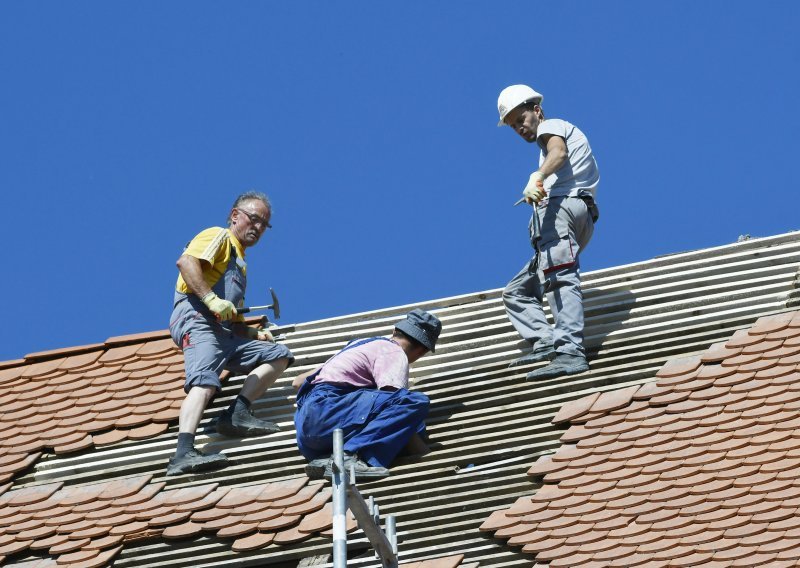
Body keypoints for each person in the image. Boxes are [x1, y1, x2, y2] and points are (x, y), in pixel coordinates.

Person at [166, 191, 294, 476]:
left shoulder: (240, 262)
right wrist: (211, 299)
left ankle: (237, 413)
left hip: (223, 331)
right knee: (204, 381)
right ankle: (182, 453)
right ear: (235, 215)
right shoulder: (218, 237)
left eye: (264, 224)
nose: (258, 228)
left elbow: (230, 317)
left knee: (279, 355)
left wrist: (250, 332)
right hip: (198, 319)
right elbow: (186, 263)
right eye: (254, 219)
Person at [497, 85, 600, 380]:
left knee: (559, 278)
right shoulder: (547, 145)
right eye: (513, 125)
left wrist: (539, 176)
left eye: (521, 119)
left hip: (563, 211)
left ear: (537, 111)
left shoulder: (552, 127)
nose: (519, 127)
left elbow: (559, 152)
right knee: (517, 292)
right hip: (573, 216)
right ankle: (546, 339)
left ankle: (569, 351)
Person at [293, 309, 442, 480]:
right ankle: (350, 457)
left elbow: (297, 382)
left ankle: (329, 459)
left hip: (308, 433)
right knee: (414, 403)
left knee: (396, 426)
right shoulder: (394, 352)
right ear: (422, 350)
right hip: (329, 410)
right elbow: (395, 408)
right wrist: (425, 454)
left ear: (395, 331)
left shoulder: (359, 345)